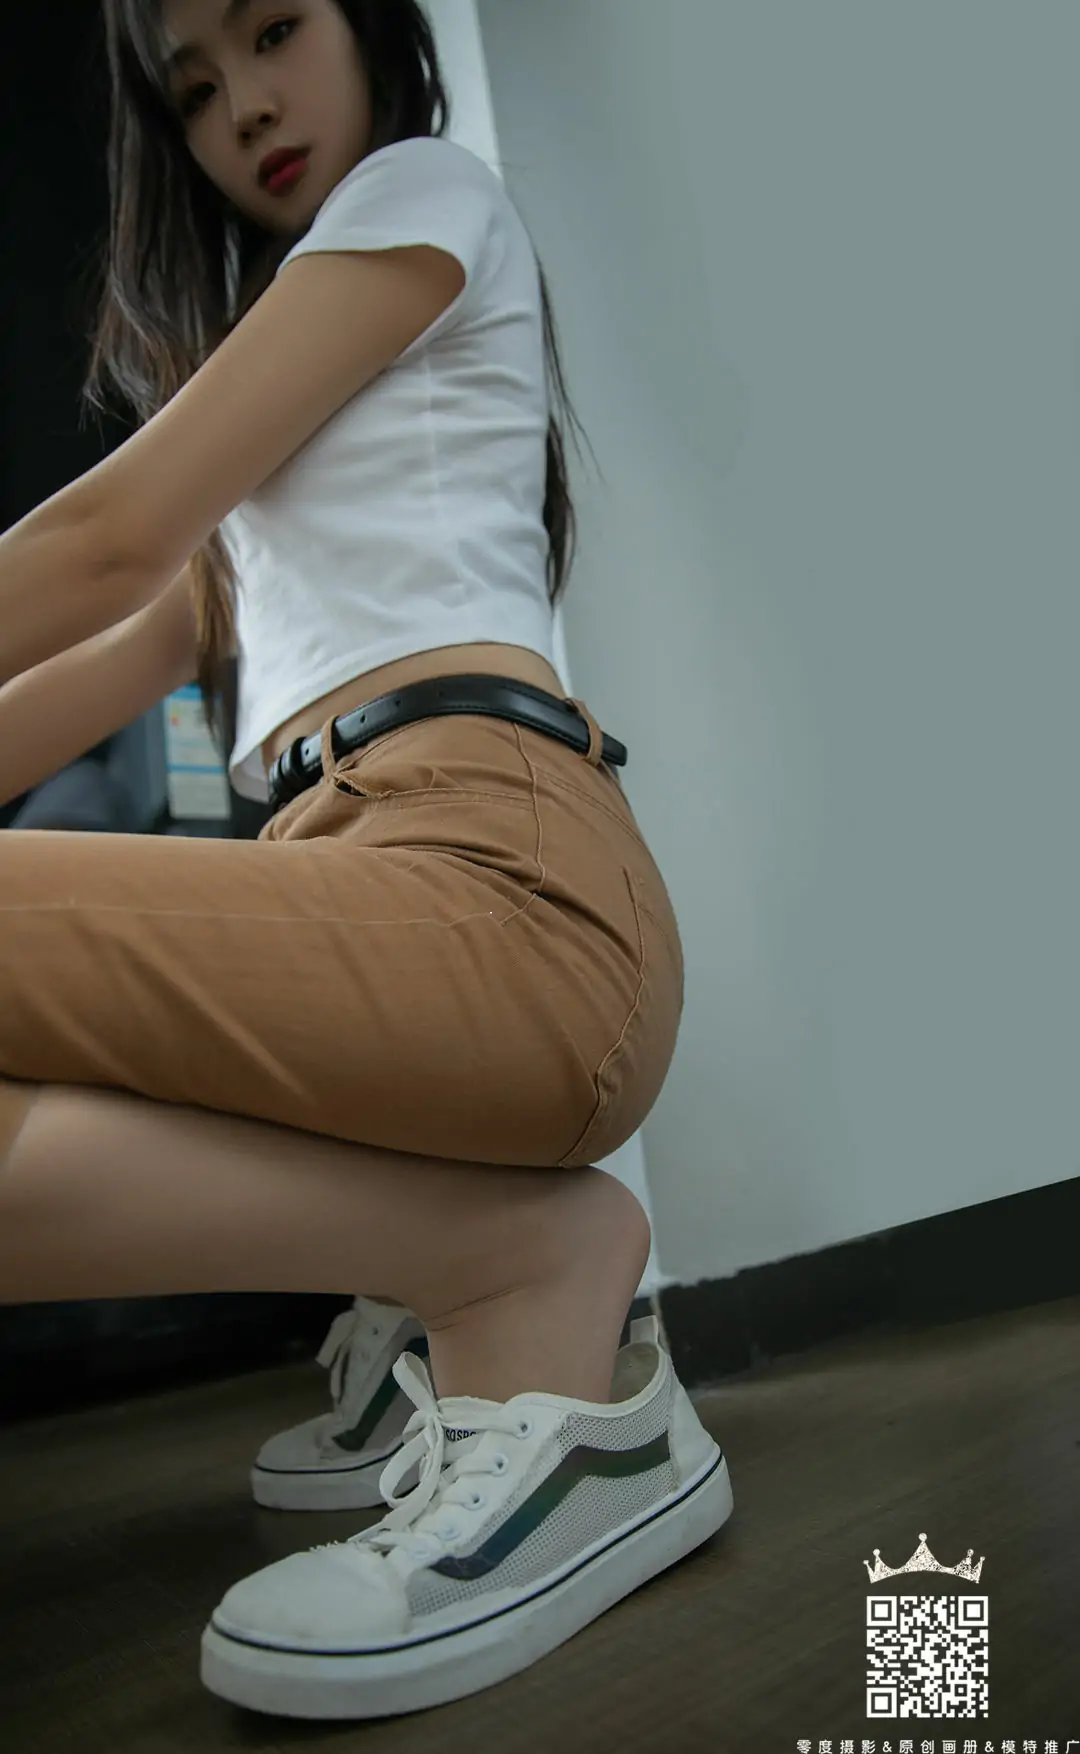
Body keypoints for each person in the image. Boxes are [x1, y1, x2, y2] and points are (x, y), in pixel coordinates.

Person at [0, 0, 733, 1721]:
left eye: (273, 29)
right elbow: (83, 664)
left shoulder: (423, 190)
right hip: (355, 896)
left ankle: (516, 1289)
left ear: (368, 21)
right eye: (196, 90)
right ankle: (502, 1268)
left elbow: (105, 540)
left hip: (508, 878)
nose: (246, 106)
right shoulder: (259, 499)